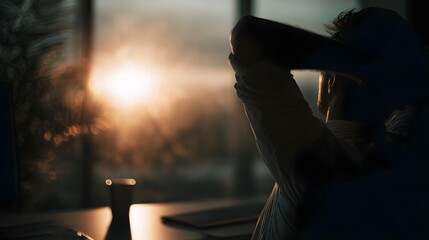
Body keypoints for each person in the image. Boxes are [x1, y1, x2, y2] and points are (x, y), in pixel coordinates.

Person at [228, 8, 429, 240]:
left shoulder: (320, 164)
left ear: (333, 76)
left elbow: (248, 36)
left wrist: (361, 64)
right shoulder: (407, 164)